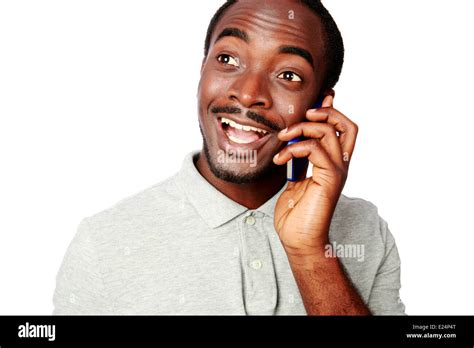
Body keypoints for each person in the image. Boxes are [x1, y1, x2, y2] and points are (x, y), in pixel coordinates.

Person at [53, 0, 405, 315]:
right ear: (202, 69)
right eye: (227, 59)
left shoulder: (366, 230)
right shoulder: (103, 243)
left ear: (321, 107)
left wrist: (310, 252)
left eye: (288, 75)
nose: (249, 93)